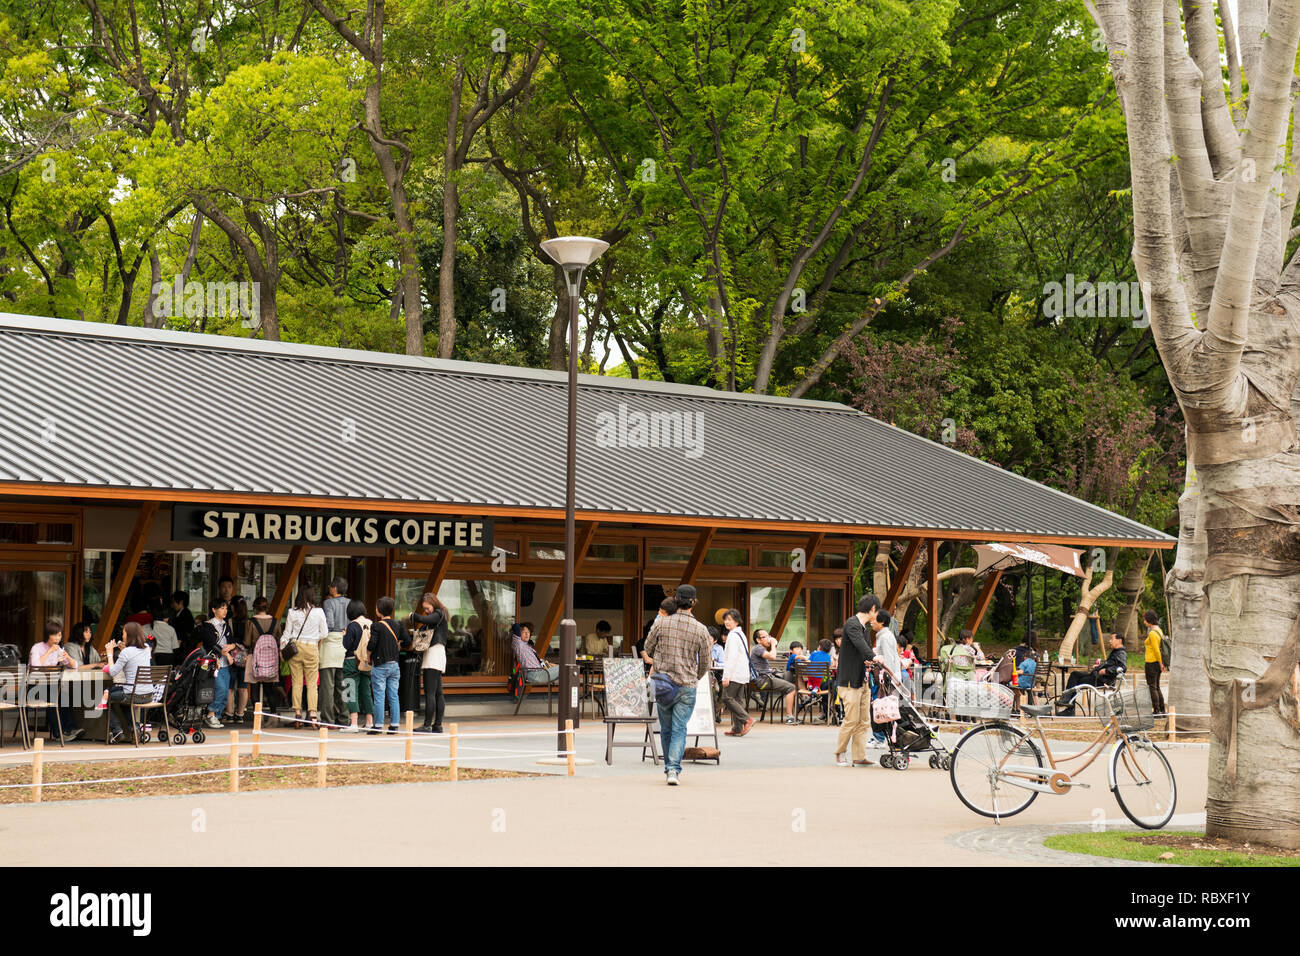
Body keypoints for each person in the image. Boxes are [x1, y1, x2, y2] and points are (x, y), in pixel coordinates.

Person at [644, 584, 711, 785]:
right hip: (687, 685)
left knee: (666, 728)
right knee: (680, 728)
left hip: (664, 684)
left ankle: (669, 769)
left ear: (675, 600)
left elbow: (647, 647)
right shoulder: (701, 629)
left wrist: (662, 657)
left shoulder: (662, 623)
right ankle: (674, 769)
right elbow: (706, 662)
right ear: (693, 602)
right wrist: (694, 677)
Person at [833, 594, 880, 767]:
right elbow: (862, 647)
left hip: (863, 679)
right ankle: (840, 752)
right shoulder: (852, 624)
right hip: (849, 681)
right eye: (877, 611)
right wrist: (875, 657)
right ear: (873, 609)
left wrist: (869, 659)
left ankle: (859, 756)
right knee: (851, 719)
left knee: (864, 720)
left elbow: (863, 650)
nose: (877, 614)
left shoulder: (864, 628)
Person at [28, 619, 84, 741]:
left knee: (63, 696)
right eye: (56, 634)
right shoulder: (36, 648)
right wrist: (49, 651)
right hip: (34, 687)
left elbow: (75, 666)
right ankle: (58, 733)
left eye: (60, 635)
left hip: (49, 685)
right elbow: (35, 667)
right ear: (49, 635)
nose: (59, 637)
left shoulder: (58, 649)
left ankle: (70, 729)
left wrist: (67, 657)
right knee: (53, 697)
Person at [282, 585, 328, 727]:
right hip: (311, 647)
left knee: (296, 682)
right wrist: (314, 637)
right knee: (312, 684)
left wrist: (282, 648)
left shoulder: (292, 612)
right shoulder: (319, 612)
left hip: (296, 647)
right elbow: (325, 633)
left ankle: (297, 714)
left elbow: (287, 634)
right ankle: (313, 715)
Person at [102, 621, 155, 744]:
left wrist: (110, 654)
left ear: (129, 635)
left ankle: (117, 731)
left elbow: (113, 672)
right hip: (148, 695)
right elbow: (135, 657)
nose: (122, 636)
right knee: (123, 701)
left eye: (124, 633)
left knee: (104, 699)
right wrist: (124, 649)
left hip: (132, 694)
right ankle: (134, 728)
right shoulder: (147, 648)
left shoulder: (126, 652)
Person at [1057, 631, 1127, 716]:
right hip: (1098, 677)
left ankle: (1069, 706)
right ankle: (1068, 702)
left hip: (1102, 680)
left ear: (1119, 640)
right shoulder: (1116, 652)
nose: (1110, 641)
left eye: (1112, 639)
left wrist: (1105, 671)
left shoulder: (1121, 653)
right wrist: (1099, 666)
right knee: (1075, 675)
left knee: (1075, 680)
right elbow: (1110, 664)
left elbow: (1122, 668)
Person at [409, 591, 450, 734]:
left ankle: (427, 725)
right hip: (438, 654)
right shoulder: (440, 616)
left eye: (427, 608)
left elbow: (425, 620)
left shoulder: (439, 614)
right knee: (438, 692)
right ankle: (437, 725)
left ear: (433, 604)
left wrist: (414, 616)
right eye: (425, 609)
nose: (426, 612)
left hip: (433, 654)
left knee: (430, 692)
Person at [367, 596, 409, 735]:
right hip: (395, 665)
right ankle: (394, 725)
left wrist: (368, 654)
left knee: (379, 696)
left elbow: (372, 644)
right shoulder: (398, 625)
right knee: (393, 695)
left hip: (380, 665)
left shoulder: (376, 626)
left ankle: (378, 725)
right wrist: (399, 644)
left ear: (378, 610)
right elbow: (408, 641)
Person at [196, 597, 236, 729]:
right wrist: (226, 653)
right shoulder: (208, 625)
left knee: (225, 692)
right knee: (221, 689)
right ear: (214, 610)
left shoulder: (226, 625)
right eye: (222, 608)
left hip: (224, 664)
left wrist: (231, 646)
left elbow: (232, 641)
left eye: (226, 608)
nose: (225, 611)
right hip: (214, 663)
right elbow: (211, 644)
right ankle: (210, 714)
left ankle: (216, 716)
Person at [320, 577, 350, 726]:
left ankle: (328, 719)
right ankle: (345, 717)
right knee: (344, 684)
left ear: (334, 588)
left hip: (330, 644)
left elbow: (329, 624)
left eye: (331, 586)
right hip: (345, 644)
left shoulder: (328, 603)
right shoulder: (351, 603)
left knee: (328, 686)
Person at [750, 629, 797, 724]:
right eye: (765, 637)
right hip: (763, 681)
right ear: (758, 640)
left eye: (769, 636)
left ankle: (794, 712)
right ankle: (790, 716)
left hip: (765, 678)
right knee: (792, 688)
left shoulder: (759, 649)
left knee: (790, 680)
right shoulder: (758, 648)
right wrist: (773, 644)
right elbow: (773, 656)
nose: (769, 639)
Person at [341, 599, 374, 733]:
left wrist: (344, 635)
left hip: (351, 661)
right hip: (366, 662)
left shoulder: (352, 626)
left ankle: (353, 723)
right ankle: (369, 721)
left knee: (349, 690)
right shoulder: (371, 623)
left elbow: (347, 645)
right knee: (366, 691)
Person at [869, 610, 901, 746]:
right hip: (885, 677)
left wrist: (886, 678)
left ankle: (880, 738)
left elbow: (888, 659)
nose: (871, 622)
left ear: (882, 622)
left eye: (874, 619)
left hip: (885, 678)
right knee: (881, 706)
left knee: (880, 706)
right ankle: (881, 736)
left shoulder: (885, 637)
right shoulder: (883, 635)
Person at [719, 609, 752, 736]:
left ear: (737, 621)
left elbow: (731, 657)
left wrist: (726, 676)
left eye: (730, 620)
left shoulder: (733, 635)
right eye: (725, 619)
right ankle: (737, 728)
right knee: (737, 701)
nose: (727, 622)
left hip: (734, 673)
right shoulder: (740, 634)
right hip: (742, 673)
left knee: (726, 698)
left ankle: (747, 719)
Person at [223, 596, 250, 723]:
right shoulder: (249, 622)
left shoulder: (229, 622)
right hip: (245, 657)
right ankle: (240, 714)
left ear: (233, 607)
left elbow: (227, 639)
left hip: (231, 657)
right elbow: (248, 641)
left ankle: (229, 714)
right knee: (243, 687)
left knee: (230, 687)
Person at [1143, 610, 1168, 715]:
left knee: (1152, 687)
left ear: (1149, 621)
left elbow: (1156, 650)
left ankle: (1156, 710)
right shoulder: (1159, 630)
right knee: (1156, 686)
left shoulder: (1153, 633)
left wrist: (1160, 663)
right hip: (1156, 663)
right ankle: (1162, 709)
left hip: (1152, 662)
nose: (1144, 622)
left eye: (1145, 620)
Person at [144, 598, 179, 665]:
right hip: (167, 657)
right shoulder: (170, 629)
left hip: (151, 655)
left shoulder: (145, 627)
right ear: (165, 618)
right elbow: (175, 647)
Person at [170, 590, 196, 656]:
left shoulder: (186, 614)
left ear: (181, 602)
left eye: (174, 602)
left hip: (184, 648)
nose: (172, 605)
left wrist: (180, 640)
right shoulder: (179, 613)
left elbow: (186, 631)